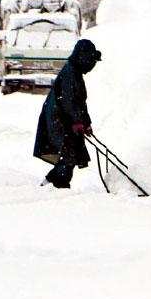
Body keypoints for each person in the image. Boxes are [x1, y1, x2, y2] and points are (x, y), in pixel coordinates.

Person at [34, 39, 102, 188]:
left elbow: (80, 104)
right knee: (69, 155)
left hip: (65, 120)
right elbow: (69, 102)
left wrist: (86, 123)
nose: (92, 66)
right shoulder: (70, 73)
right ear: (84, 58)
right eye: (91, 61)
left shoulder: (75, 73)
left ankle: (50, 184)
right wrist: (77, 122)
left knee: (69, 155)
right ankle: (58, 185)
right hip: (59, 121)